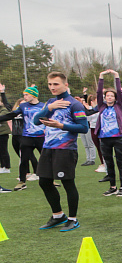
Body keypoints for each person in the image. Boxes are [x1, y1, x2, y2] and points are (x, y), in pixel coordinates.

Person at [33, 72, 89, 232]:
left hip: (65, 150)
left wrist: (61, 126)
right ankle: (58, 215)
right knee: (44, 181)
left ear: (66, 85)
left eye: (56, 84)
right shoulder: (50, 102)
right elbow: (36, 121)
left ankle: (72, 219)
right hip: (48, 148)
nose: (52, 87)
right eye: (50, 84)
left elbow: (84, 128)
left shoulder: (74, 104)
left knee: (67, 183)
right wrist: (49, 108)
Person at [0, 84, 46, 190]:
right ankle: (22, 182)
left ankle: (50, 179)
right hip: (27, 137)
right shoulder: (23, 106)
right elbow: (11, 115)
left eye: (26, 95)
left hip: (41, 137)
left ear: (34, 95)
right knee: (24, 159)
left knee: (46, 159)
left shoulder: (43, 106)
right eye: (24, 95)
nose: (24, 97)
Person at [96, 69, 122, 196]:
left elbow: (120, 92)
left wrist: (116, 76)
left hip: (118, 138)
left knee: (120, 163)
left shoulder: (119, 106)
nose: (109, 97)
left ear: (115, 98)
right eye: (107, 96)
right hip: (104, 139)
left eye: (111, 96)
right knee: (108, 163)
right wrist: (101, 77)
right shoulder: (101, 106)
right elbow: (99, 92)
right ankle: (112, 186)